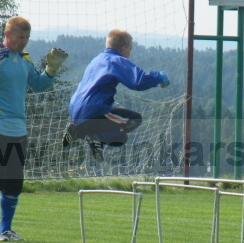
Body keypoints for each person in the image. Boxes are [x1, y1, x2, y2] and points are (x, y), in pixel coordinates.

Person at [0, 17, 67, 241]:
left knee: (14, 181)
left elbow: (39, 85)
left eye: (27, 38)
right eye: (21, 37)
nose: (24, 42)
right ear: (8, 35)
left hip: (18, 128)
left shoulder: (24, 59)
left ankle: (6, 230)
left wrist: (51, 70)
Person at [63, 29, 169, 161]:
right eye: (130, 50)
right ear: (123, 49)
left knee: (119, 138)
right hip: (94, 111)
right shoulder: (116, 60)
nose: (129, 54)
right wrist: (159, 77)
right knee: (131, 123)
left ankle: (78, 132)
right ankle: (97, 139)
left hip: (75, 111)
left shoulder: (97, 60)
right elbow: (138, 82)